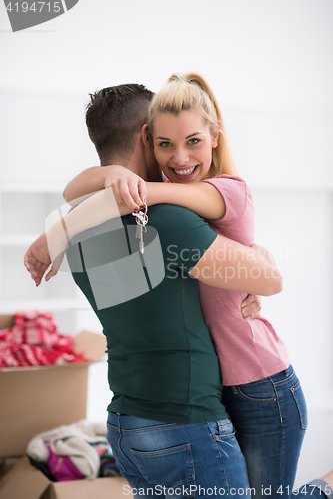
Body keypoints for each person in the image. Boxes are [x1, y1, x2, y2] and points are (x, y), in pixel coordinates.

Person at [24, 82, 333, 499]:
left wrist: (60, 222)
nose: (177, 157)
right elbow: (268, 279)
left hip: (126, 427)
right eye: (164, 140)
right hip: (184, 424)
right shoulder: (164, 220)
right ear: (146, 136)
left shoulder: (73, 228)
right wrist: (256, 260)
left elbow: (156, 296)